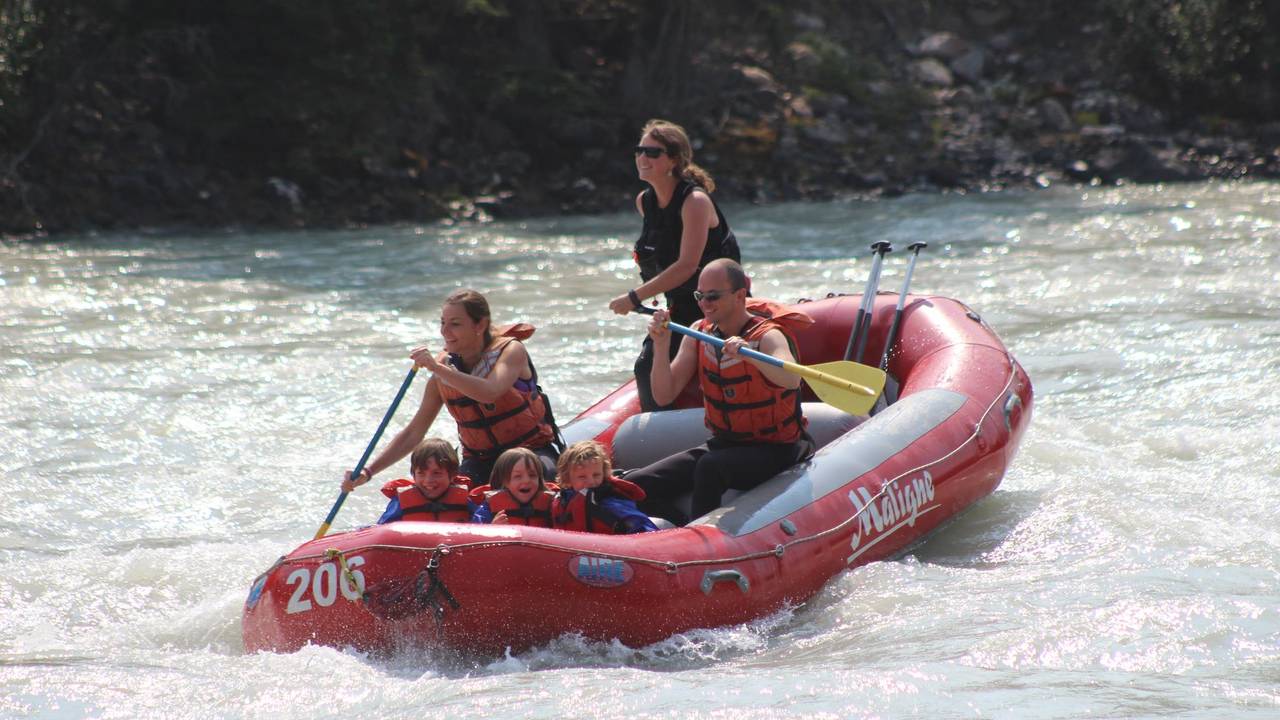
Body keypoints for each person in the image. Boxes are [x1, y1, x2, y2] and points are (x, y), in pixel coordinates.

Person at [625, 259, 815, 526]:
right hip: (725, 443)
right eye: (700, 296)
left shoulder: (769, 336)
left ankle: (699, 543)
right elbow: (663, 395)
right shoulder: (699, 333)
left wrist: (751, 356)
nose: (705, 304)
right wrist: (661, 344)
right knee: (635, 486)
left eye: (713, 296)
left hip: (778, 448)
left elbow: (792, 378)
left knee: (710, 467)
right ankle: (678, 526)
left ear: (739, 296)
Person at [340, 289, 562, 493]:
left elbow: (489, 391)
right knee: (450, 499)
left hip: (532, 451)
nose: (444, 331)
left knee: (542, 484)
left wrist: (437, 368)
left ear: (480, 325)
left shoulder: (511, 351)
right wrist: (368, 472)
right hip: (481, 461)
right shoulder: (443, 374)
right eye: (443, 322)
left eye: (455, 324)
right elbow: (414, 433)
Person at [608, 119, 740, 412]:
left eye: (653, 153)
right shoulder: (645, 202)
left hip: (716, 307)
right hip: (678, 306)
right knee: (647, 367)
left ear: (674, 160)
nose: (643, 158)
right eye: (639, 151)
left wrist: (634, 297)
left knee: (700, 371)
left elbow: (687, 266)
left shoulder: (694, 201)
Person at [551, 440, 656, 534]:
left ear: (604, 473)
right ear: (568, 479)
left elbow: (640, 526)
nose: (591, 482)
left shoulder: (609, 502)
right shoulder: (562, 498)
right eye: (582, 477)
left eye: (596, 475)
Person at [371, 438, 474, 524]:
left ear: (452, 475)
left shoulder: (465, 500)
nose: (428, 480)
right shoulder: (400, 502)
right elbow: (381, 530)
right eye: (421, 473)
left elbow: (482, 527)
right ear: (414, 475)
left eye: (437, 473)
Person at [471, 447, 555, 527]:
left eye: (532, 475)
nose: (526, 480)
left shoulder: (551, 504)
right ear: (504, 481)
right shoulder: (488, 508)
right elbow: (475, 532)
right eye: (518, 476)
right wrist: (492, 528)